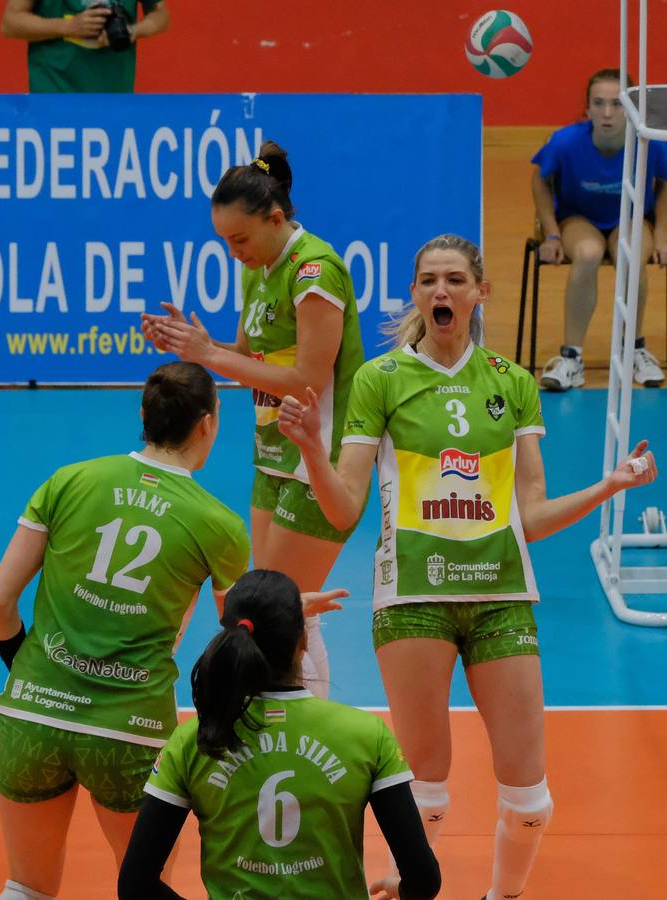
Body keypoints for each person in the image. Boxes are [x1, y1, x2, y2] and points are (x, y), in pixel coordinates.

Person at [277, 234, 658, 900]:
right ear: (416, 295)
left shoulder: (510, 383)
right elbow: (342, 510)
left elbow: (530, 517)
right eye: (428, 281)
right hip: (412, 598)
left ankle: (500, 896)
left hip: (502, 594)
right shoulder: (381, 379)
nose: (441, 291)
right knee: (424, 794)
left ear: (480, 291)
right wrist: (312, 447)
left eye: (455, 279)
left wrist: (608, 487)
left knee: (532, 801)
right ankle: (405, 884)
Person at [0, 362, 251, 900]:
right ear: (207, 424)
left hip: (33, 713)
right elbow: (236, 645)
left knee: (25, 887)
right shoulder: (220, 526)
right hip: (130, 729)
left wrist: (33, 672)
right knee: (143, 887)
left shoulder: (69, 481)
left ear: (144, 417)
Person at [141, 140, 365, 699]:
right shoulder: (258, 271)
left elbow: (310, 379)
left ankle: (306, 727)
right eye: (224, 241)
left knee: (281, 611)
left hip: (320, 457)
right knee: (273, 607)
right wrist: (194, 345)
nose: (233, 251)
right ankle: (283, 727)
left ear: (276, 217)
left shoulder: (315, 271)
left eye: (240, 238)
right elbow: (249, 363)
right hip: (272, 451)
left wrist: (209, 356)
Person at [118, 569, 442, 900]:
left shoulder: (194, 740)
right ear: (303, 641)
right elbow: (423, 881)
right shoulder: (366, 735)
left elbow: (135, 885)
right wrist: (399, 888)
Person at [532, 67, 667, 391]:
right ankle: (571, 359)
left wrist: (662, 233)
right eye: (599, 103)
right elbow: (539, 179)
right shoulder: (565, 142)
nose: (607, 113)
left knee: (631, 253)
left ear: (632, 106)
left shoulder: (649, 142)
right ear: (588, 107)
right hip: (579, 219)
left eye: (617, 103)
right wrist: (550, 233)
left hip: (633, 218)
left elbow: (664, 184)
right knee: (589, 253)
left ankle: (635, 349)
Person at [0, 0, 170, 93]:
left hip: (114, 95)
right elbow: (10, 22)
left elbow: (161, 15)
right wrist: (70, 26)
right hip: (55, 95)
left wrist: (133, 31)